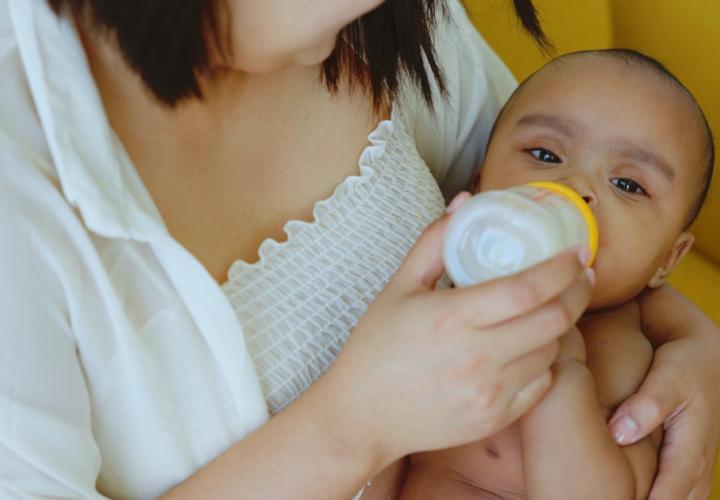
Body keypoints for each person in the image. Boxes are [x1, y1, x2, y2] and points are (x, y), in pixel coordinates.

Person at [0, 0, 717, 498]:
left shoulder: (387, 24)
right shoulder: (22, 178)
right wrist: (355, 424)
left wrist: (689, 336)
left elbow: (549, 202)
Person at [363, 48, 714, 500]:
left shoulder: (624, 358)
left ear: (668, 258)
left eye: (627, 184)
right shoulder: (436, 289)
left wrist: (562, 373)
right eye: (545, 154)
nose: (574, 188)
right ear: (476, 186)